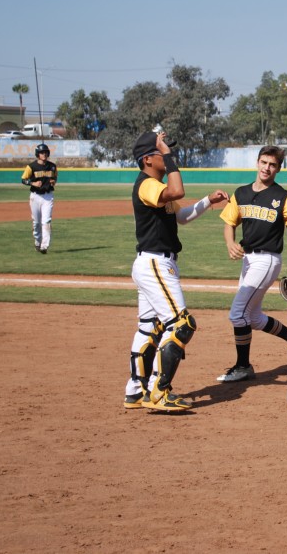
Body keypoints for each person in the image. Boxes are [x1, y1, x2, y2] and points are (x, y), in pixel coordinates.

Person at [123, 130, 228, 411]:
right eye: (161, 152)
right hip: (155, 264)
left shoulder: (154, 187)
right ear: (147, 159)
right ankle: (159, 390)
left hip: (155, 263)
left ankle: (135, 390)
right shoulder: (147, 184)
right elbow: (177, 190)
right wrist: (169, 158)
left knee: (150, 327)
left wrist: (207, 201)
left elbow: (180, 215)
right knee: (182, 324)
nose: (168, 154)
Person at [217, 146, 287, 407]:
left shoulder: (282, 197)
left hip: (268, 259)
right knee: (252, 317)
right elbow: (229, 223)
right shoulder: (241, 193)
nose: (267, 168)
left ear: (278, 168)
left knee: (237, 314)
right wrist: (230, 243)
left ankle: (243, 365)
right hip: (248, 260)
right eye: (264, 162)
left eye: (272, 164)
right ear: (257, 162)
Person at [21, 143, 57, 253]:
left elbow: (55, 178)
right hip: (35, 197)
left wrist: (53, 182)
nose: (44, 154)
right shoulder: (31, 167)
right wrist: (33, 183)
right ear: (38, 154)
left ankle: (44, 246)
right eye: (42, 152)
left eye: (46, 152)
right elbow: (23, 179)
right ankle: (37, 241)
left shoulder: (52, 166)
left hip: (48, 196)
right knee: (36, 223)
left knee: (46, 221)